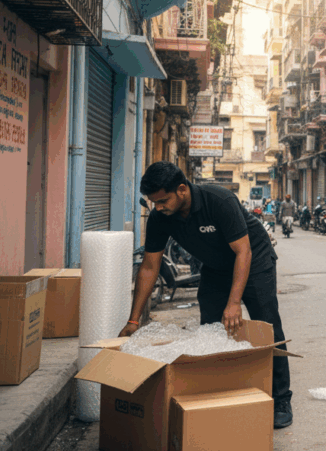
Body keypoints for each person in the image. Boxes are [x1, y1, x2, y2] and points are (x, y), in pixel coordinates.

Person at [122, 162, 294, 426]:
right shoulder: (160, 217)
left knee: (267, 322)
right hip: (215, 267)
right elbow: (149, 267)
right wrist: (133, 320)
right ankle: (218, 391)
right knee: (211, 330)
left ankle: (281, 398)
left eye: (163, 201)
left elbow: (243, 252)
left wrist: (234, 303)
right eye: (154, 202)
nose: (158, 207)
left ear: (182, 189)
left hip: (253, 260)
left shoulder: (219, 200)